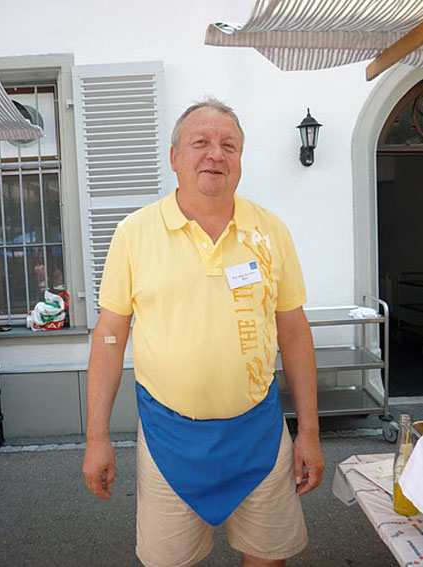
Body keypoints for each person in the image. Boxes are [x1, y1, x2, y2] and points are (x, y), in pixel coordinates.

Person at [83, 98, 325, 567]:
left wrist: (310, 433)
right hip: (168, 438)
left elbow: (294, 332)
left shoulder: (271, 231)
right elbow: (109, 337)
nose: (216, 154)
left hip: (259, 433)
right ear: (174, 157)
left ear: (240, 160)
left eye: (228, 145)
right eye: (201, 142)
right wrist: (97, 439)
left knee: (268, 558)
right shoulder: (134, 233)